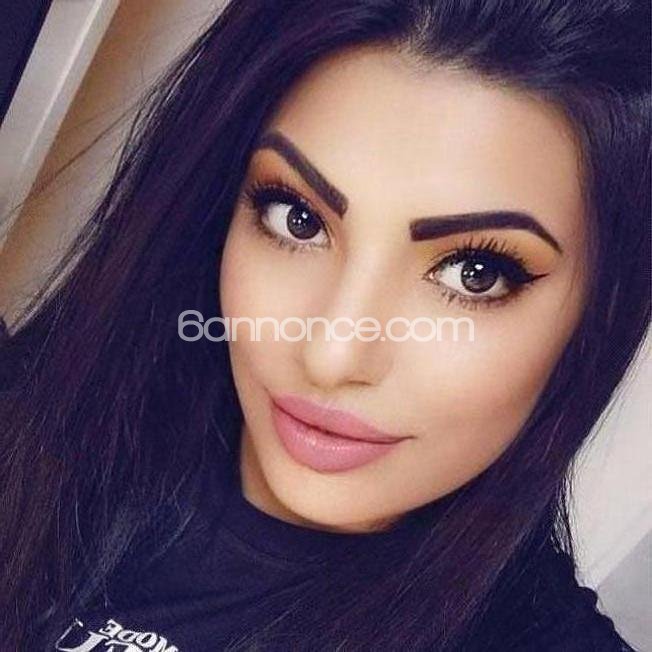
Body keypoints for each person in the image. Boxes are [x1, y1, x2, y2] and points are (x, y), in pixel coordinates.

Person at [0, 1, 649, 650]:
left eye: (474, 274)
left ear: (601, 311)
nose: (331, 355)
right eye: (298, 219)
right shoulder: (38, 420)